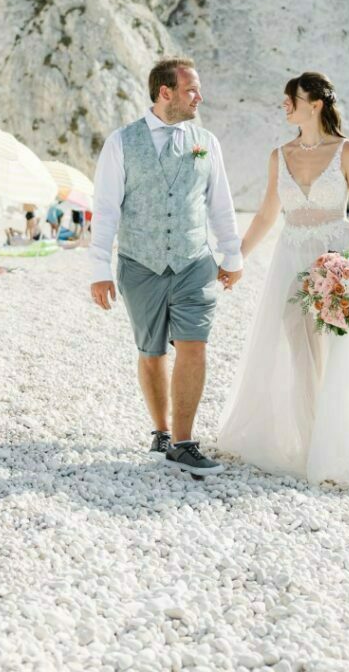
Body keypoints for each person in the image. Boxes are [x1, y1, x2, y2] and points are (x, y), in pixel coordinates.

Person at [218, 72, 349, 487]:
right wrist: (235, 259)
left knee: (343, 354)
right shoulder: (279, 155)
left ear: (315, 104)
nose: (285, 104)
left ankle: (348, 451)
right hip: (290, 259)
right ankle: (311, 445)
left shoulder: (348, 152)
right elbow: (268, 215)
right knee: (298, 347)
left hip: (335, 261)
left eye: (293, 97)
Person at [90, 56, 243, 477]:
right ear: (165, 93)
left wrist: (233, 255)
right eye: (191, 89)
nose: (199, 97)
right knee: (152, 351)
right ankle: (160, 432)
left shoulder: (206, 142)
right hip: (140, 264)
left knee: (194, 344)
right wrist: (98, 269)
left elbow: (220, 204)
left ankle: (184, 441)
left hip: (195, 261)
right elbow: (104, 210)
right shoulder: (121, 143)